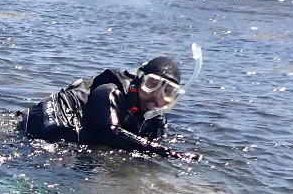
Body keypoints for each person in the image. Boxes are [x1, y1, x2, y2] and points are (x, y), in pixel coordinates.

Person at [20, 55, 188, 157]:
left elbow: (149, 143)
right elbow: (110, 133)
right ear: (138, 80)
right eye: (152, 84)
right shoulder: (109, 92)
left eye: (167, 91)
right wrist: (164, 152)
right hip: (38, 137)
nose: (156, 96)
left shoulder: (156, 118)